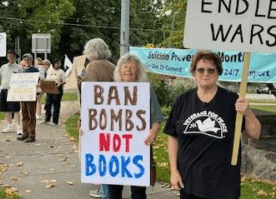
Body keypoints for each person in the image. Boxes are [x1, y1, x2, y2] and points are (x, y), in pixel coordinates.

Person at [164, 51, 261, 199]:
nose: (205, 74)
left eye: (211, 70)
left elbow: (255, 133)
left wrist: (247, 112)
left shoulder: (231, 100)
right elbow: (173, 137)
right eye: (200, 69)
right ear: (194, 72)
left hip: (223, 184)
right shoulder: (183, 101)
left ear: (218, 73)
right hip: (189, 182)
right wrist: (173, 171)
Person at [107, 53, 164, 199]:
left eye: (132, 67)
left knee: (138, 191)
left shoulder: (146, 90)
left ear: (138, 71)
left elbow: (157, 116)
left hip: (139, 146)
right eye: (125, 67)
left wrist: (154, 130)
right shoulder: (109, 91)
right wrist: (87, 129)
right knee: (113, 188)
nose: (128, 70)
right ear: (119, 70)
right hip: (115, 147)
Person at [82, 38, 115, 199]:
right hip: (113, 115)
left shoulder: (92, 67)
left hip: (99, 116)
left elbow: (90, 94)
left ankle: (103, 187)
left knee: (99, 151)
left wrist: (84, 119)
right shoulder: (112, 66)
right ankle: (108, 185)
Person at [0, 49, 23, 135]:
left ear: (15, 58)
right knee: (6, 109)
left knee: (16, 109)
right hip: (4, 89)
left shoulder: (18, 68)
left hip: (13, 90)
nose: (10, 58)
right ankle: (9, 125)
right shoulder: (3, 67)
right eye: (9, 56)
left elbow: (21, 79)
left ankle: (19, 127)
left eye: (12, 56)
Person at [17, 53, 40, 143]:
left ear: (32, 61)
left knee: (31, 114)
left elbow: (39, 81)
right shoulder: (22, 71)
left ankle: (32, 134)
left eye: (28, 60)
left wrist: (37, 85)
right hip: (23, 94)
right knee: (24, 114)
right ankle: (25, 132)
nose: (27, 61)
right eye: (25, 60)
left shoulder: (35, 70)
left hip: (31, 94)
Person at [41, 58, 66, 125]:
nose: (58, 65)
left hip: (57, 89)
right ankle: (47, 119)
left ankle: (55, 121)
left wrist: (60, 84)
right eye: (57, 63)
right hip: (50, 88)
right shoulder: (50, 70)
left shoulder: (61, 72)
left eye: (59, 63)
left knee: (56, 105)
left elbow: (64, 81)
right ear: (53, 64)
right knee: (48, 104)